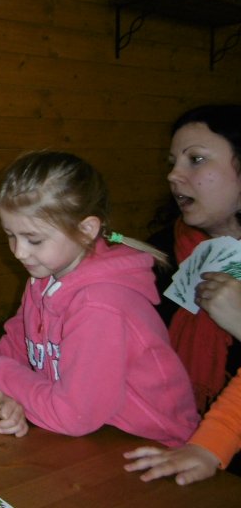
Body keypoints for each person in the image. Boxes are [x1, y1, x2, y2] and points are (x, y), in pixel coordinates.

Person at [0, 150, 200, 446]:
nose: (19, 251)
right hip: (99, 438)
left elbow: (73, 416)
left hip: (156, 447)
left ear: (86, 230)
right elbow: (15, 355)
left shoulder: (101, 304)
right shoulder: (42, 280)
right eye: (10, 235)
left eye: (34, 239)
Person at [124, 104, 241, 482]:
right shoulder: (159, 255)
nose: (174, 175)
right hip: (168, 445)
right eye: (172, 162)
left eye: (197, 159)